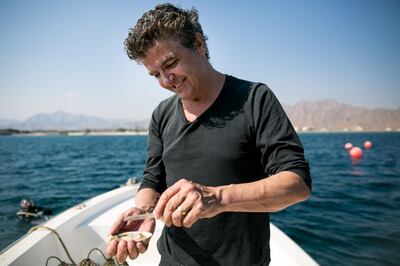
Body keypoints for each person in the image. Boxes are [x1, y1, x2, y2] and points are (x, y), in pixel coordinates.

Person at [107, 3, 311, 266]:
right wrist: (143, 212)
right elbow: (153, 179)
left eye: (170, 64)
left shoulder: (255, 99)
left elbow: (297, 184)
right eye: (155, 74)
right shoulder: (161, 114)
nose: (166, 81)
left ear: (199, 44)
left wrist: (217, 198)